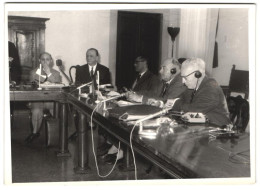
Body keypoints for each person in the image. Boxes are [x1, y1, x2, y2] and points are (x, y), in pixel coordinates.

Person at [172, 58, 231, 126]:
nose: (183, 81)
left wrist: (177, 103)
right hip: (201, 125)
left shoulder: (211, 88)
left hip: (218, 128)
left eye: (185, 77)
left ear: (197, 74)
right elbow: (180, 99)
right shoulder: (193, 85)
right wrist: (178, 104)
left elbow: (193, 111)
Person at [25, 52, 61, 143]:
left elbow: (58, 85)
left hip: (51, 100)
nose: (45, 62)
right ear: (39, 61)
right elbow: (33, 86)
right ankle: (34, 132)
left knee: (58, 110)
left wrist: (49, 73)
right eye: (43, 59)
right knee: (36, 111)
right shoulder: (34, 72)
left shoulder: (56, 73)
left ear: (51, 61)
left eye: (47, 59)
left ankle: (59, 132)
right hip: (38, 100)